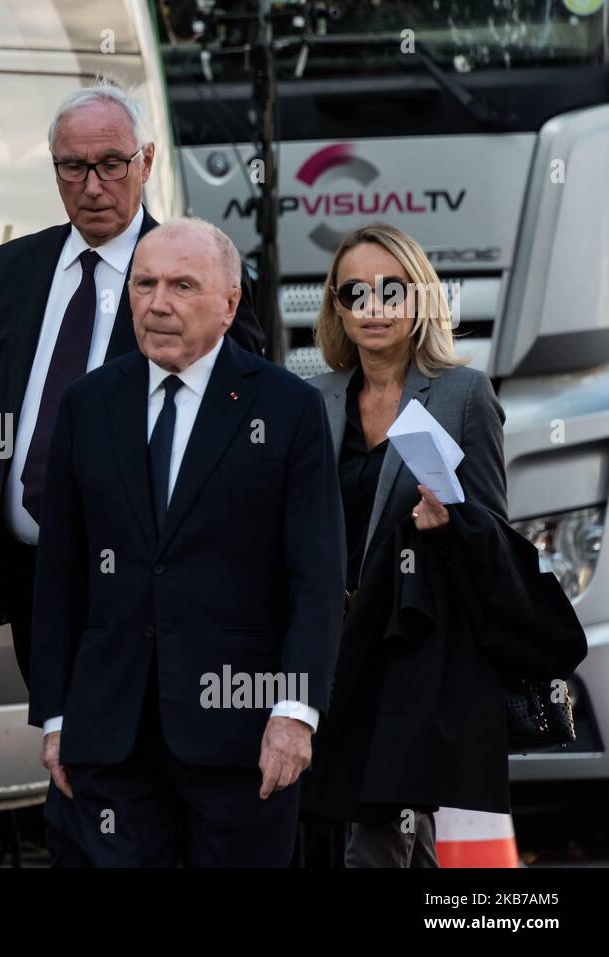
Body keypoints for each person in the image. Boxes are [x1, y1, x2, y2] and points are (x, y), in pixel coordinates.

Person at [0, 79, 264, 864]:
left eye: (110, 164)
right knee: (68, 754)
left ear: (145, 162)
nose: (92, 185)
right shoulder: (13, 269)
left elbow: (243, 427)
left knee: (125, 766)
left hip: (140, 578)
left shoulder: (193, 270)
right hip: (38, 573)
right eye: (73, 167)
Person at [28, 218, 345, 867]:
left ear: (230, 303)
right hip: (111, 735)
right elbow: (60, 571)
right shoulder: (89, 403)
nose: (158, 302)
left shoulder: (287, 409)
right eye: (144, 284)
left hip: (243, 738)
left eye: (181, 285)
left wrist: (294, 711)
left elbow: (315, 575)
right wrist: (56, 715)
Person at [299, 223, 508, 867]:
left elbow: (495, 536)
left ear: (420, 296)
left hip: (409, 640)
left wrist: (449, 526)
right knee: (331, 820)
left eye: (392, 289)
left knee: (382, 826)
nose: (374, 306)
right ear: (337, 305)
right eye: (355, 292)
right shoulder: (314, 398)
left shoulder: (461, 395)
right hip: (324, 642)